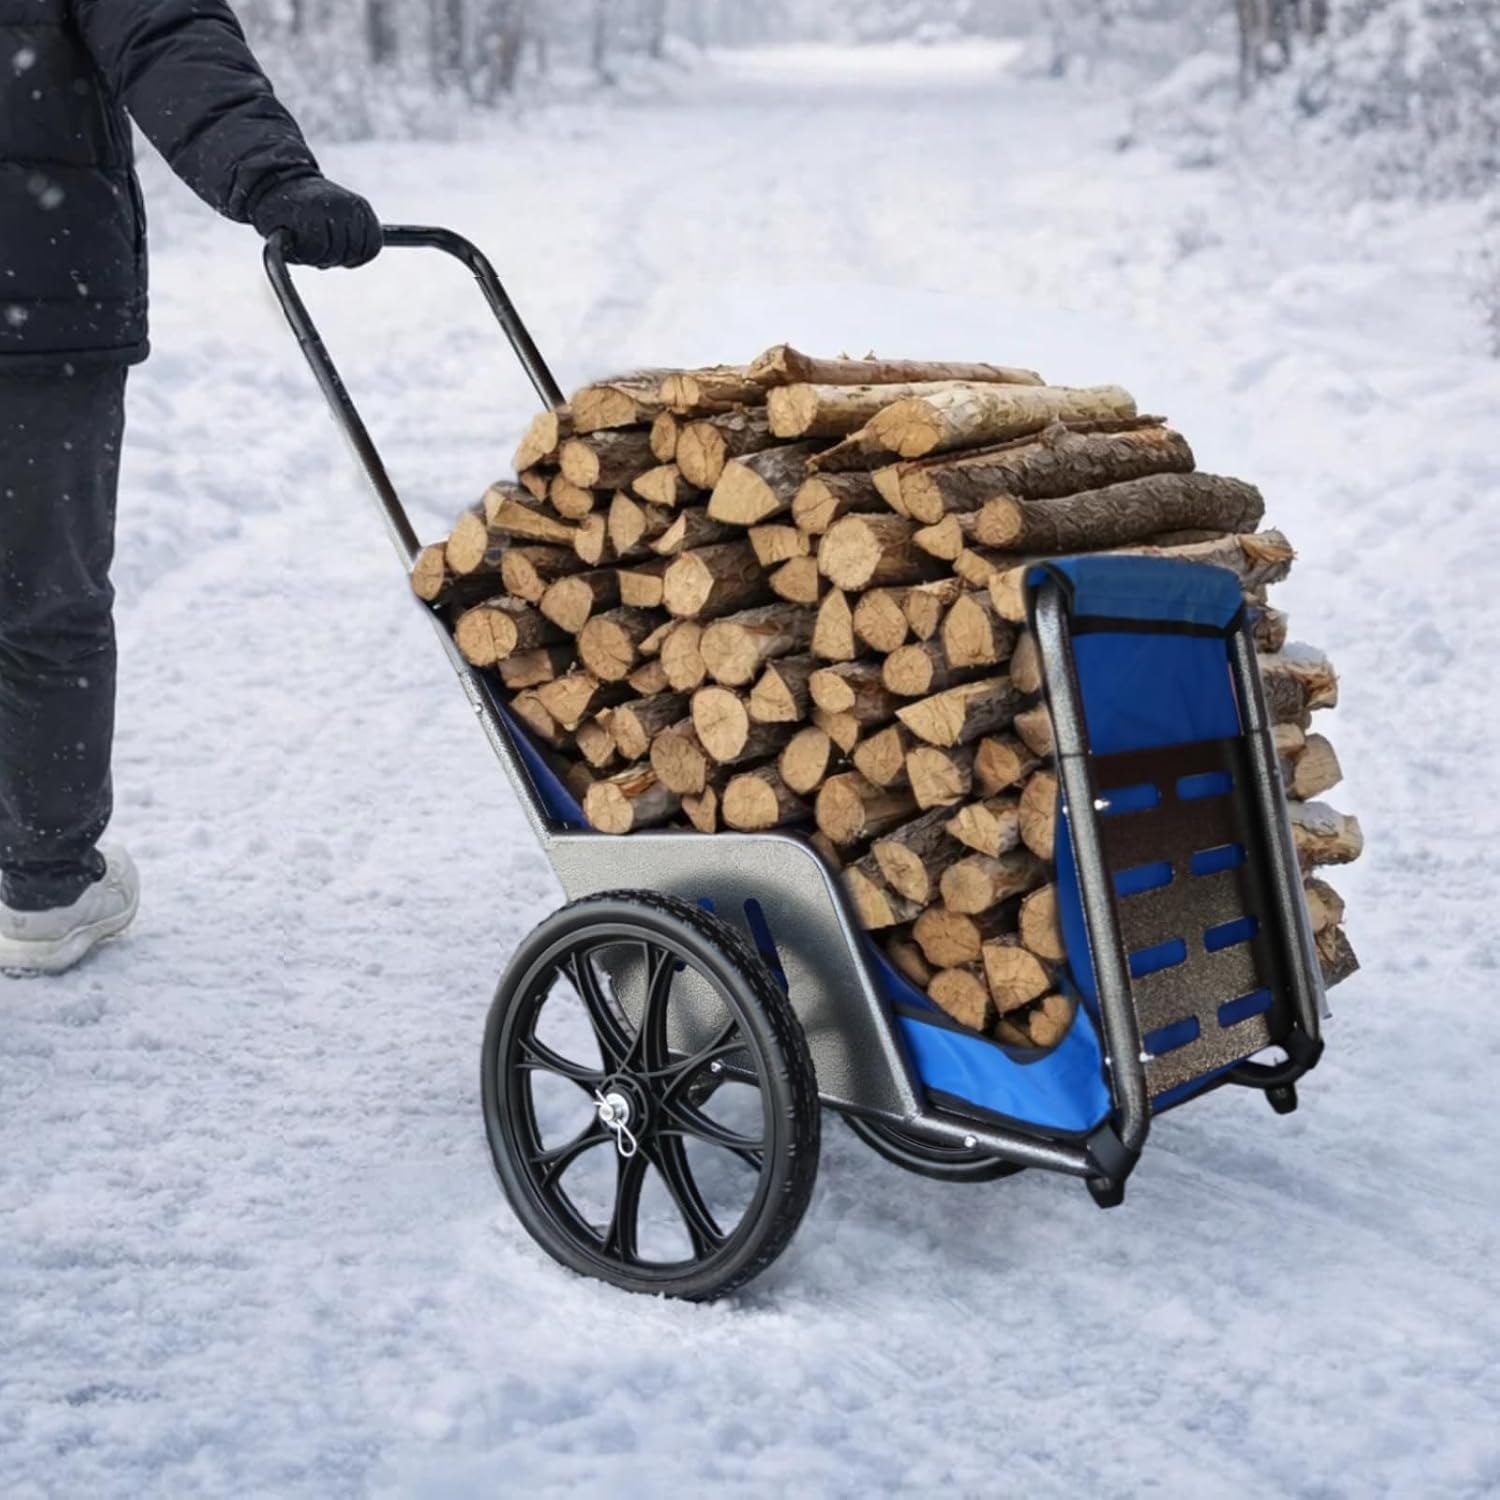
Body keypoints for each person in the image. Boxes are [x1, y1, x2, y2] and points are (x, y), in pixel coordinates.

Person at [0, 0, 381, 973]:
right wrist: (276, 179)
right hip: (35, 307)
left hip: (34, 302)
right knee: (45, 598)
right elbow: (168, 37)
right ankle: (44, 882)